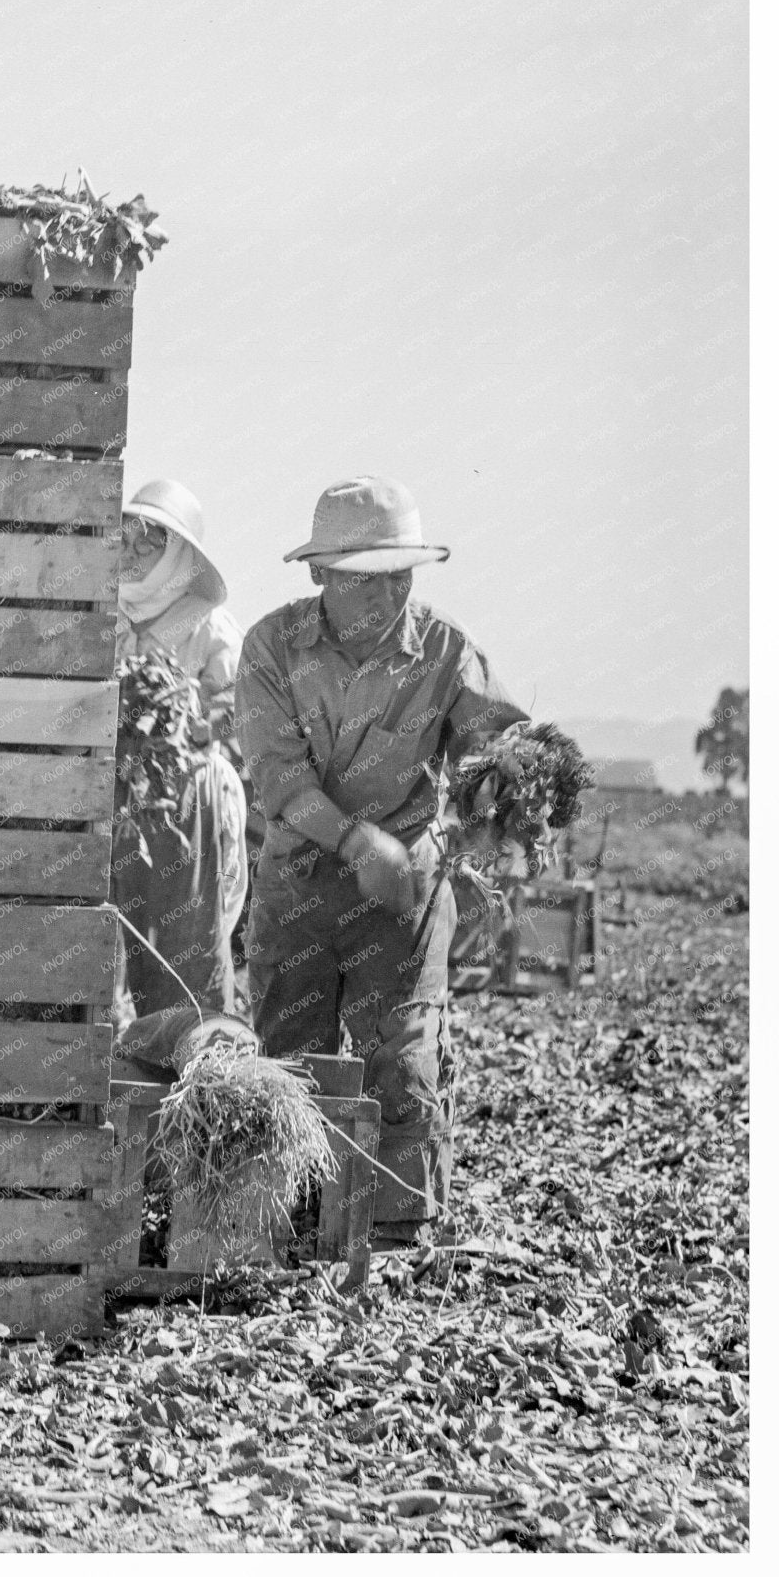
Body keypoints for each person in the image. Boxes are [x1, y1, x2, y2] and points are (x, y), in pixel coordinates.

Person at [235, 476, 526, 1250]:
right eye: (365, 576)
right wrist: (357, 843)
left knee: (400, 1057)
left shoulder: (447, 651)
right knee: (290, 1057)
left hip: (404, 892)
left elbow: (494, 749)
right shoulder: (271, 648)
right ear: (319, 574)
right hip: (300, 880)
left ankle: (398, 1230)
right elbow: (281, 781)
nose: (386, 591)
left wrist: (509, 792)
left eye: (399, 574)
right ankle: (290, 1221)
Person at [111, 478, 249, 1017]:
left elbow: (238, 716)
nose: (135, 550)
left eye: (154, 540)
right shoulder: (98, 617)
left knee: (185, 930)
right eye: (128, 536)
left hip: (189, 800)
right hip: (110, 792)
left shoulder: (208, 626)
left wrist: (185, 725)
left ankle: (186, 1025)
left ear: (180, 556)